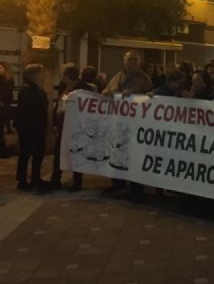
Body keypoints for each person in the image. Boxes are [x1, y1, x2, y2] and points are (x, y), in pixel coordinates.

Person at [102, 51, 153, 197]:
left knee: (134, 154)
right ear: (124, 61)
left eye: (134, 60)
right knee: (117, 152)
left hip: (135, 123)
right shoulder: (118, 76)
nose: (131, 62)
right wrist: (112, 93)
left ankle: (136, 188)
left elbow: (150, 98)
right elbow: (106, 91)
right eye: (128, 59)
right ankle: (118, 184)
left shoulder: (144, 78)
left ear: (139, 62)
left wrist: (135, 95)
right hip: (118, 122)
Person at [52, 63, 95, 192]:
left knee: (77, 152)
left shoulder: (84, 88)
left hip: (76, 125)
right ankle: (55, 179)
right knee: (58, 151)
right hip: (62, 124)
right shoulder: (63, 86)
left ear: (69, 75)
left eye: (62, 74)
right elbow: (59, 103)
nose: (61, 77)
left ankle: (77, 181)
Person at [15, 64, 48, 191]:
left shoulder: (37, 89)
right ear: (33, 76)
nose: (43, 76)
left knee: (38, 153)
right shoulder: (27, 90)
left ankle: (35, 177)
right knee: (26, 153)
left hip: (37, 126)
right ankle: (22, 180)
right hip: (28, 127)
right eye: (40, 73)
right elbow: (36, 106)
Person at [0, 62, 14, 158]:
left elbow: (7, 93)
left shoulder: (8, 80)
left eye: (0, 68)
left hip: (3, 107)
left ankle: (3, 151)